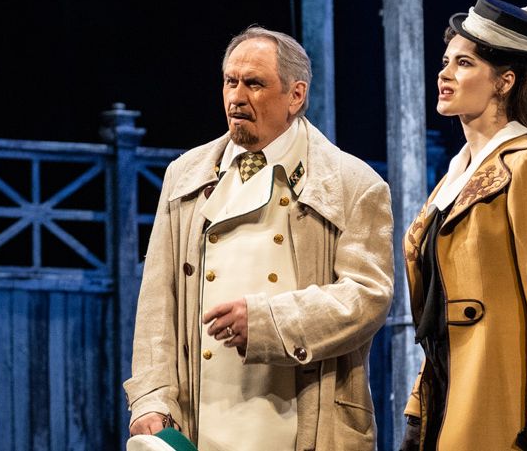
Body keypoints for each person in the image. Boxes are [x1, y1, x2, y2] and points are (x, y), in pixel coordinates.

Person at [123, 26, 394, 451]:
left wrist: (269, 322)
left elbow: (368, 297)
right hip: (201, 418)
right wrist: (150, 397)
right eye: (230, 81)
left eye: (254, 83)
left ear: (296, 96)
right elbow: (159, 299)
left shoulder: (352, 183)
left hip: (301, 418)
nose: (236, 97)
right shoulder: (185, 174)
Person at [399, 0, 527, 451]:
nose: (444, 74)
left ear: (505, 81)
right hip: (448, 389)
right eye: (445, 62)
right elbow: (439, 310)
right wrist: (417, 407)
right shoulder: (453, 180)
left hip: (499, 391)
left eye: (463, 63)